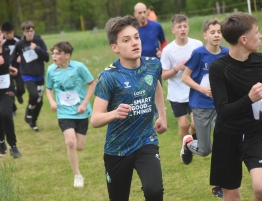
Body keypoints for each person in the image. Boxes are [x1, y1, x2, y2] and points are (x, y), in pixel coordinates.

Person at [90, 15, 167, 201]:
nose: (134, 43)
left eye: (136, 37)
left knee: (154, 190)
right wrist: (115, 113)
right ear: (114, 47)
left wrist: (162, 115)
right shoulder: (109, 77)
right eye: (126, 40)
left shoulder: (153, 64)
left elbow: (155, 84)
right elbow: (95, 119)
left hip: (145, 140)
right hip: (117, 148)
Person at [209, 12, 262, 201]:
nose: (261, 35)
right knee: (232, 197)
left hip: (255, 131)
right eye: (257, 32)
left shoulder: (260, 60)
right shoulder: (218, 69)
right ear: (244, 39)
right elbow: (222, 111)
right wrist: (249, 99)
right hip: (227, 135)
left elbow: (261, 90)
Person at [181, 19, 229, 198]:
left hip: (221, 107)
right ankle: (187, 143)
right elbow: (185, 77)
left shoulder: (227, 53)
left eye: (219, 31)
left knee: (223, 146)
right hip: (201, 106)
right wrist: (202, 89)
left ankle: (219, 186)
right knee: (205, 149)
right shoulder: (199, 53)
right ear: (205, 35)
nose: (216, 35)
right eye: (213, 32)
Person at [46, 41, 95, 187]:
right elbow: (48, 88)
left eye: (58, 53)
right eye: (53, 53)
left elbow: (92, 83)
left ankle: (77, 169)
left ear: (67, 55)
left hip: (80, 111)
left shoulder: (79, 67)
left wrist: (84, 103)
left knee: (79, 146)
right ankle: (78, 175)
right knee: (70, 142)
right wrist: (52, 101)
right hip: (64, 112)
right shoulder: (50, 70)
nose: (54, 56)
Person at [160, 14, 202, 148]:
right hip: (176, 94)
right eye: (179, 27)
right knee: (183, 124)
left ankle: (191, 136)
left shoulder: (197, 45)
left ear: (188, 28)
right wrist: (177, 68)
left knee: (196, 123)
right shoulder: (168, 50)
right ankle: (186, 149)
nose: (182, 29)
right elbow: (164, 76)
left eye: (185, 26)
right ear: (173, 30)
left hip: (194, 90)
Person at [0, 23, 22, 158]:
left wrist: (10, 70)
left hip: (6, 89)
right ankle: (1, 141)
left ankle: (13, 146)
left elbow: (4, 66)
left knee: (6, 114)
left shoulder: (7, 50)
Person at [10, 20, 49, 132]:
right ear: (23, 32)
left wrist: (37, 49)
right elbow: (12, 59)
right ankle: (28, 111)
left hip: (39, 75)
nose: (30, 33)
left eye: (31, 30)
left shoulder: (39, 41)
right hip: (27, 74)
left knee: (39, 101)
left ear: (34, 30)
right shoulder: (20, 44)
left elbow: (46, 58)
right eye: (27, 31)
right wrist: (11, 68)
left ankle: (33, 121)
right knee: (34, 95)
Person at [1, 22, 25, 116]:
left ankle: (19, 94)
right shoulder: (0, 41)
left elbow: (26, 50)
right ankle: (13, 109)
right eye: (7, 33)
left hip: (18, 68)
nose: (10, 35)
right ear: (3, 33)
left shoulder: (19, 39)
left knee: (21, 88)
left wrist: (21, 57)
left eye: (11, 33)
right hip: (5, 70)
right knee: (8, 91)